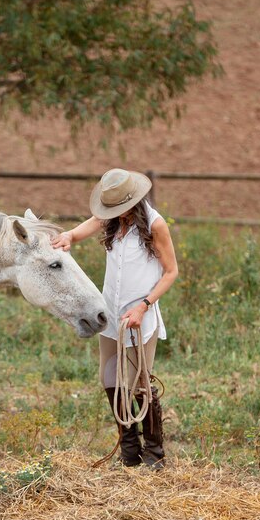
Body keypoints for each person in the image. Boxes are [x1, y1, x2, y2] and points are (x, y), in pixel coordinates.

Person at [52, 168, 178, 469]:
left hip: (139, 316)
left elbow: (171, 272)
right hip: (111, 314)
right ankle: (129, 449)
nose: (114, 215)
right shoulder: (111, 219)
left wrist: (144, 306)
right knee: (109, 378)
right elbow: (93, 222)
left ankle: (155, 452)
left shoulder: (155, 224)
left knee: (139, 383)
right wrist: (70, 235)